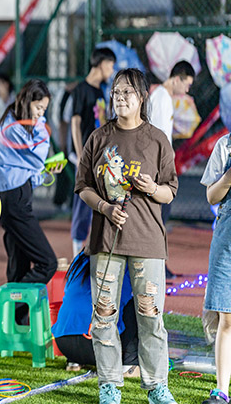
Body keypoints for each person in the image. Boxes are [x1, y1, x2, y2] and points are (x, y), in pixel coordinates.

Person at [75, 68, 179, 404]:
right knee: (104, 315)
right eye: (117, 92)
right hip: (107, 242)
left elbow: (171, 191)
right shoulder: (99, 137)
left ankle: (156, 386)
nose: (121, 98)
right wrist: (105, 207)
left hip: (147, 241)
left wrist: (154, 188)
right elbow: (83, 187)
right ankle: (109, 384)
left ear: (142, 98)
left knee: (150, 315)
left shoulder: (157, 139)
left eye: (128, 93)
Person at [0, 79, 61, 319]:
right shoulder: (20, 126)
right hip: (15, 199)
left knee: (18, 264)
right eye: (39, 108)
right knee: (47, 263)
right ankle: (7, 305)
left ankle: (14, 322)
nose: (41, 114)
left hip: (13, 196)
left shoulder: (12, 121)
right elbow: (35, 159)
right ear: (28, 102)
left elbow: (26, 167)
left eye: (44, 110)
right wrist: (41, 124)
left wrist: (45, 173)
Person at [52, 251, 138, 373]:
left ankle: (74, 361)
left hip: (64, 343)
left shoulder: (80, 259)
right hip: (101, 345)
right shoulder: (123, 263)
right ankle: (129, 364)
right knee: (140, 303)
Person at [70, 47, 117, 256]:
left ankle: (96, 246)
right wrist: (80, 154)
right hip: (84, 156)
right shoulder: (81, 89)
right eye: (110, 64)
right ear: (100, 63)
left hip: (98, 155)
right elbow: (75, 121)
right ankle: (76, 250)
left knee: (99, 200)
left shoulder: (101, 90)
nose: (112, 69)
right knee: (83, 199)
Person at [199, 132, 231, 404]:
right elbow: (211, 196)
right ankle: (222, 390)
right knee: (227, 318)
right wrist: (229, 177)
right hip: (227, 239)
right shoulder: (225, 145)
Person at [148, 60, 195, 224]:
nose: (187, 90)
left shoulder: (163, 96)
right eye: (186, 84)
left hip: (160, 160)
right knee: (162, 207)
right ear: (177, 79)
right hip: (158, 162)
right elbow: (157, 133)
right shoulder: (162, 98)